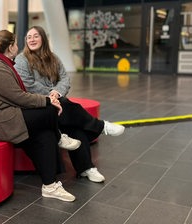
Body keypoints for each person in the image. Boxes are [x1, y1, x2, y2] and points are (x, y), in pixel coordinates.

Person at [0, 29, 76, 202]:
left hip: (5, 111)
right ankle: (60, 136)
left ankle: (50, 186)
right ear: (11, 47)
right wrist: (48, 100)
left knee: (45, 134)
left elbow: (17, 96)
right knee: (49, 111)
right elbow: (19, 96)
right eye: (17, 43)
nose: (19, 46)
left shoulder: (2, 62)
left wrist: (47, 100)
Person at [14, 26, 125, 183]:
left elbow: (65, 79)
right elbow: (28, 84)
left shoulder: (53, 58)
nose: (31, 39)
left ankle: (86, 169)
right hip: (35, 106)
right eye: (28, 37)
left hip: (55, 103)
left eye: (35, 36)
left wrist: (57, 93)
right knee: (67, 106)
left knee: (73, 126)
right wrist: (51, 94)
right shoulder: (21, 60)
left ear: (43, 38)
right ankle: (100, 127)